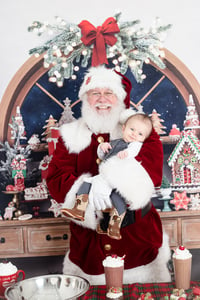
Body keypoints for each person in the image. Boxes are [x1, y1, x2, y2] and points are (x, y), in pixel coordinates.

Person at [46, 66, 171, 285]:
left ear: (120, 98)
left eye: (108, 93)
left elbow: (151, 174)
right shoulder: (71, 136)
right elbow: (56, 179)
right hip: (89, 249)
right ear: (86, 98)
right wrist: (88, 190)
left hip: (137, 243)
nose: (102, 99)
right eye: (95, 93)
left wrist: (108, 183)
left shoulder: (139, 129)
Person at [61, 113, 153, 240]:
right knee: (86, 182)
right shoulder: (115, 143)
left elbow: (134, 151)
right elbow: (103, 157)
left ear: (143, 139)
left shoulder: (134, 146)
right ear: (124, 128)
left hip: (118, 181)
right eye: (132, 129)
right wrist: (102, 147)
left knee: (119, 203)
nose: (134, 134)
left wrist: (126, 153)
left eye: (140, 134)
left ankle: (114, 226)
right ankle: (79, 209)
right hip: (104, 177)